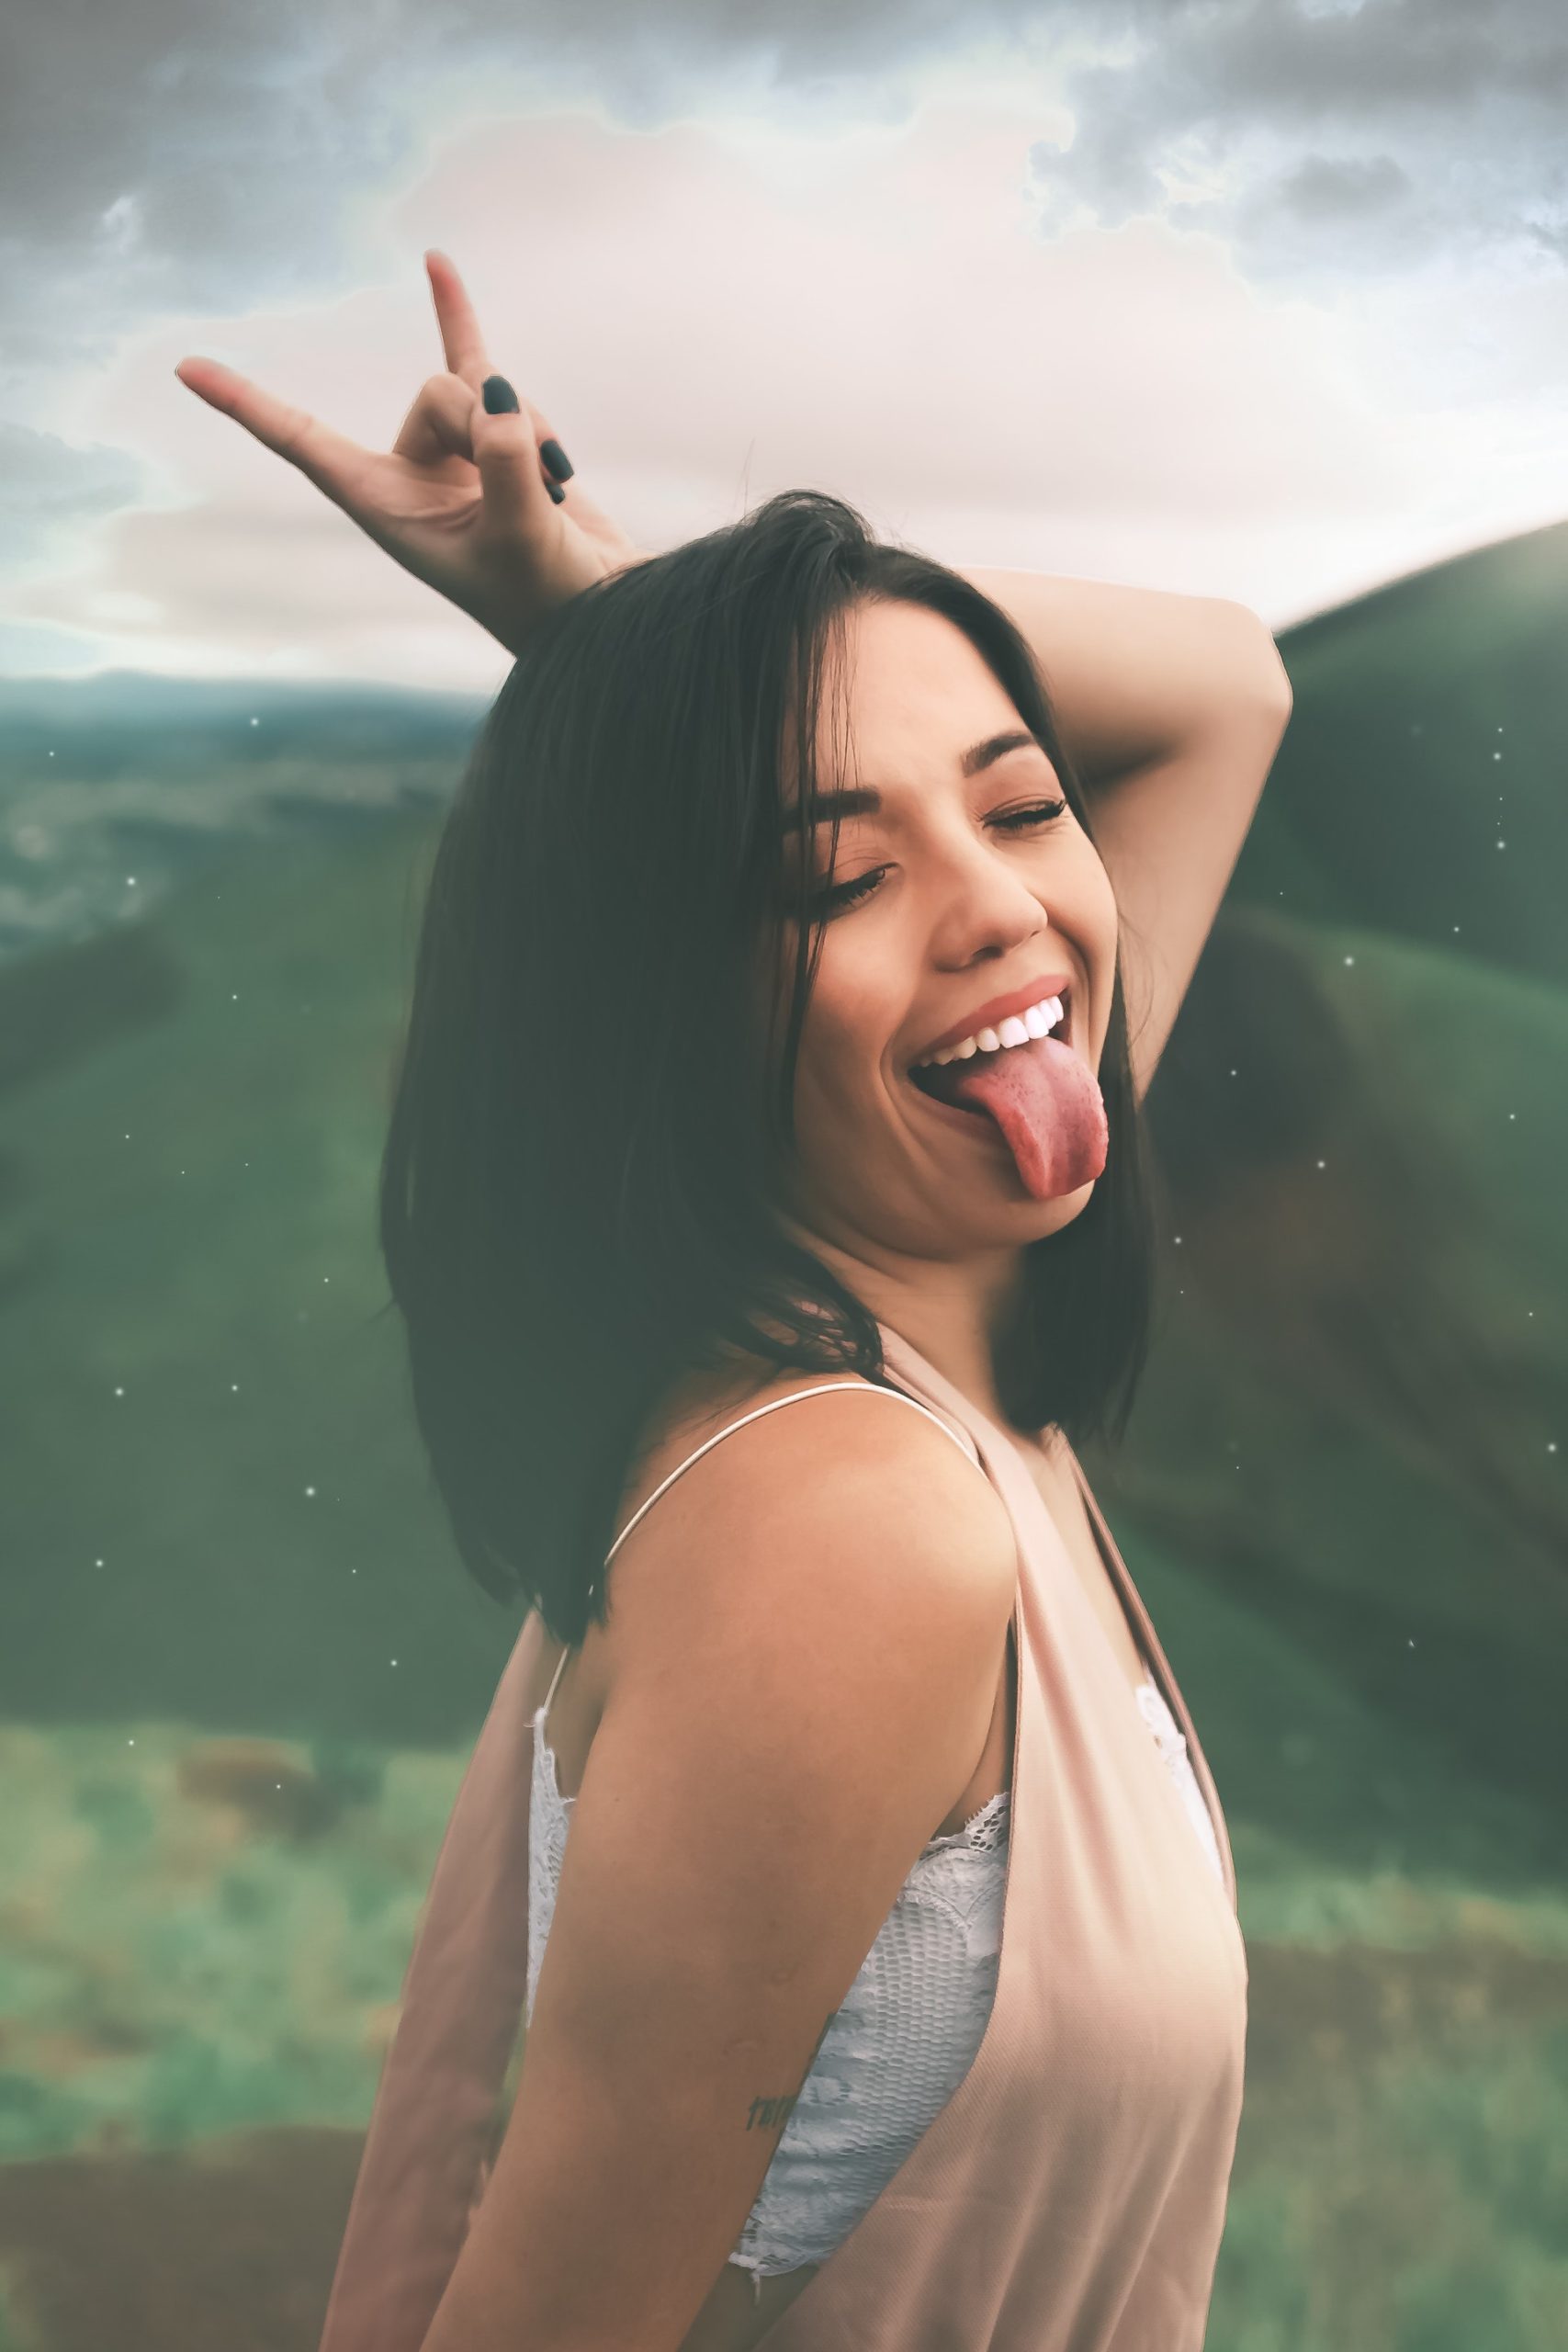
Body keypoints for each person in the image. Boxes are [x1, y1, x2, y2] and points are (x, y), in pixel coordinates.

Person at [178, 252, 1292, 2352]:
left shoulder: (943, 1260)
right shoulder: (846, 1518)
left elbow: (1226, 681)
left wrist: (620, 622)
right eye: (828, 874)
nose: (999, 912)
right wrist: (652, 687)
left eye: (1022, 798)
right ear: (664, 1018)